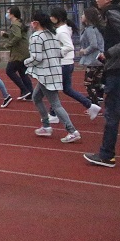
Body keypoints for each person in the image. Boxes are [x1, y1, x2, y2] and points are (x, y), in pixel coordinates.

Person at [24, 12, 80, 143]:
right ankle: (46, 125)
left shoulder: (36, 36)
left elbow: (37, 58)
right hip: (54, 70)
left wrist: (26, 62)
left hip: (45, 74)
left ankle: (72, 131)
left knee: (55, 104)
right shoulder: (52, 34)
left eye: (32, 21)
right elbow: (59, 52)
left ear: (36, 23)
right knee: (36, 97)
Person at [84, 0, 120, 167]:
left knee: (112, 113)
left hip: (118, 69)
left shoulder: (112, 13)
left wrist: (109, 53)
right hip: (115, 68)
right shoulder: (112, 14)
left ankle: (107, 155)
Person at [49, 6, 101, 121]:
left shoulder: (61, 31)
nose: (50, 18)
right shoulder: (64, 29)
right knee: (65, 89)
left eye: (52, 16)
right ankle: (90, 105)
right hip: (66, 63)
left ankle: (54, 114)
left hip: (63, 64)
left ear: (57, 17)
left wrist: (57, 52)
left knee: (55, 89)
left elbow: (69, 46)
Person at [1, 6, 33, 100]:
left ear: (12, 14)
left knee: (9, 70)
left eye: (8, 12)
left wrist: (8, 44)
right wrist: (6, 35)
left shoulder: (15, 24)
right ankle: (30, 93)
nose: (7, 14)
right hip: (24, 51)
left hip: (18, 53)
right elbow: (16, 35)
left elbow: (17, 36)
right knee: (23, 72)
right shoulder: (19, 23)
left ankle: (24, 90)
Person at [77, 7, 105, 106]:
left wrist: (84, 51)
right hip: (99, 58)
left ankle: (94, 104)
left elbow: (93, 45)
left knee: (88, 83)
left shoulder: (90, 29)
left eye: (83, 14)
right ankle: (98, 99)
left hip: (94, 59)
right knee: (97, 82)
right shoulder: (95, 28)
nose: (81, 16)